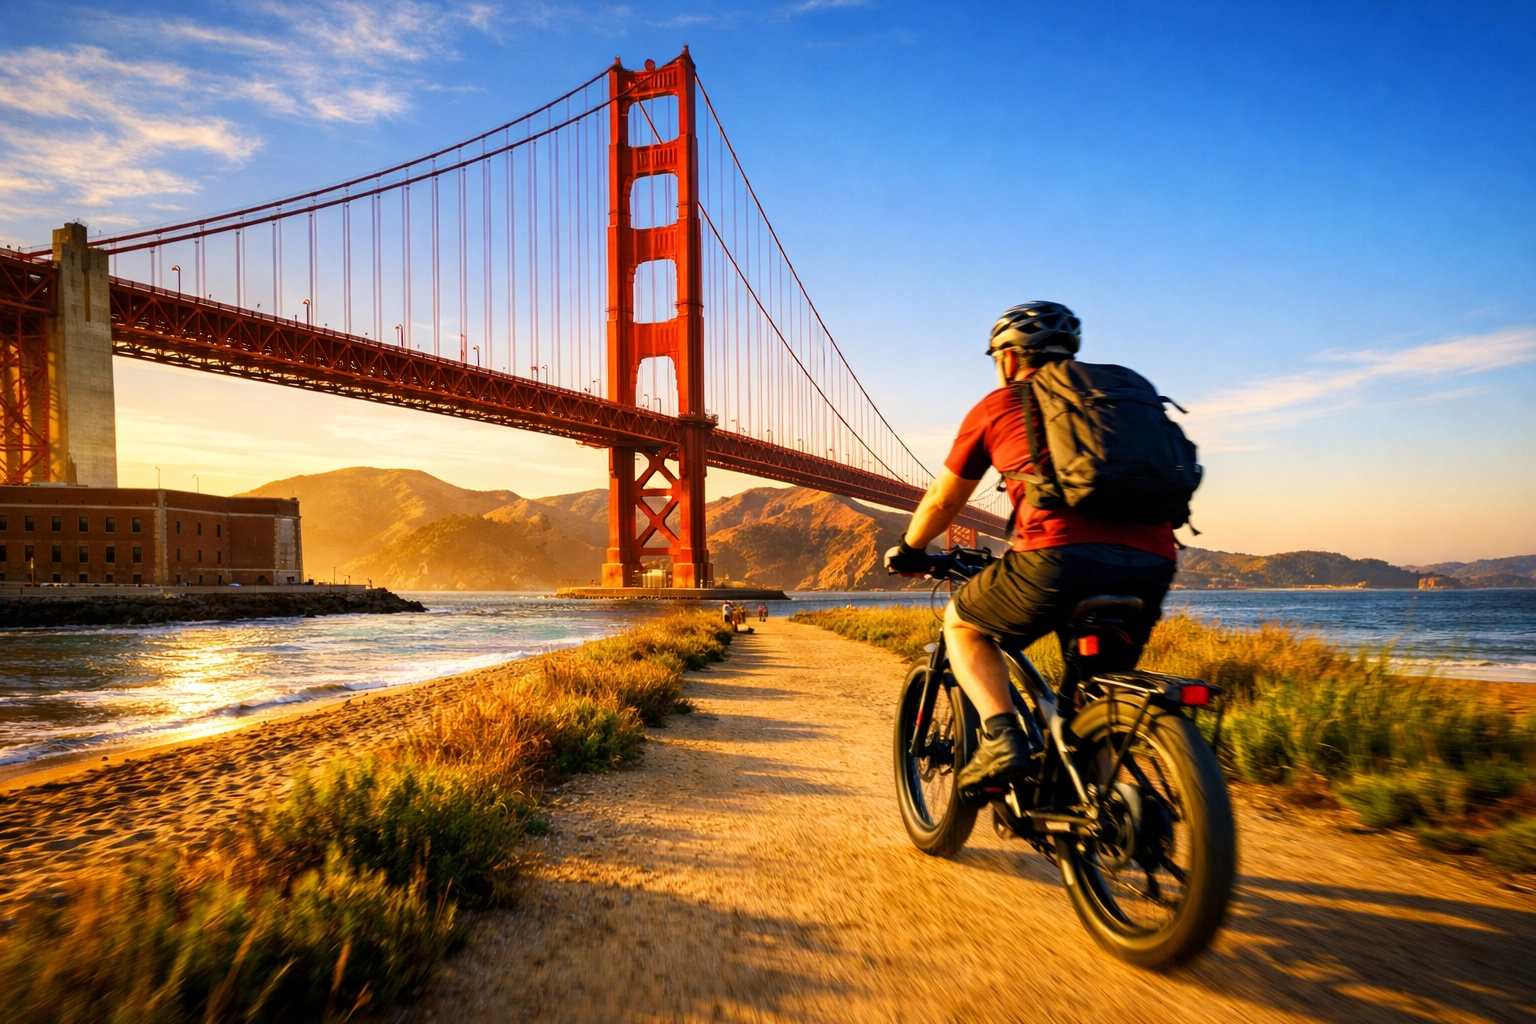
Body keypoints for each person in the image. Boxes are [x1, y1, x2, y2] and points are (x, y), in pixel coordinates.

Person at [883, 301, 1177, 797]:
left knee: (962, 623)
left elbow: (942, 498)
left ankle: (1001, 739)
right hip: (1154, 563)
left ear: (1009, 357)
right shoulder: (1117, 397)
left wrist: (910, 549)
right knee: (1091, 698)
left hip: (1057, 559)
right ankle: (1105, 813)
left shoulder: (999, 405)